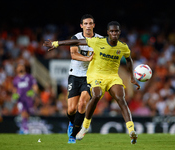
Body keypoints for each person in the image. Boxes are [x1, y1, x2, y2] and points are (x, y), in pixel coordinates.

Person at [43, 21, 140, 144]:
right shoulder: (98, 42)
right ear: (108, 32)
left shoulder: (123, 46)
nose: (114, 33)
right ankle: (85, 127)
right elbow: (77, 42)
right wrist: (56, 43)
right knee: (95, 96)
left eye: (116, 31)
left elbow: (129, 60)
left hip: (112, 77)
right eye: (112, 31)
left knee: (121, 99)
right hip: (96, 75)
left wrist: (132, 77)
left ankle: (131, 130)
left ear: (119, 32)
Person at [54, 14, 103, 143]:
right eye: (85, 23)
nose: (88, 26)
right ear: (81, 25)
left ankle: (73, 135)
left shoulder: (100, 39)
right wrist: (88, 58)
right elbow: (74, 54)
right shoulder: (76, 38)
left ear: (93, 25)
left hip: (90, 76)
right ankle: (72, 123)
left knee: (82, 104)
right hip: (75, 75)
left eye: (90, 23)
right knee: (71, 109)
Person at [12, 63, 38, 134]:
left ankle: (24, 127)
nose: (20, 68)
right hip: (20, 99)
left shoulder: (29, 77)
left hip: (28, 98)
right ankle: (25, 128)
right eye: (19, 67)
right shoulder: (15, 79)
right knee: (23, 112)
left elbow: (35, 86)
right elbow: (14, 88)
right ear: (17, 69)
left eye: (22, 66)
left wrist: (33, 92)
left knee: (27, 113)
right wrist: (14, 95)